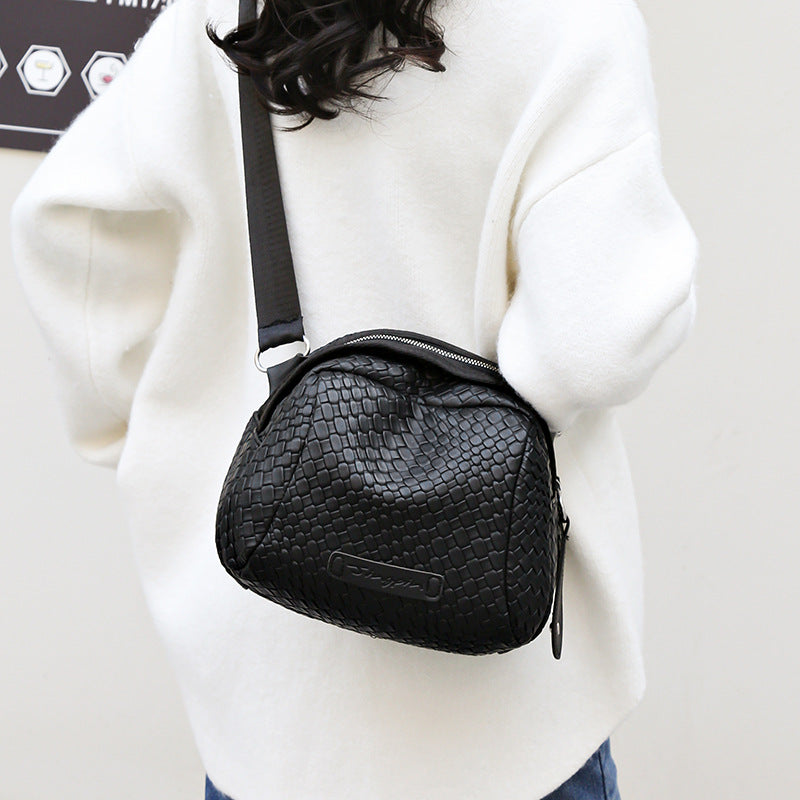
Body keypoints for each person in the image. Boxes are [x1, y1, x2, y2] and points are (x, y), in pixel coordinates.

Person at [9, 0, 698, 798]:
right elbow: (594, 343)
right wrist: (477, 438)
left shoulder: (227, 14)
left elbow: (68, 228)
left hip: (271, 695)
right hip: (505, 715)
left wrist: (146, 436)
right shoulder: (568, 22)